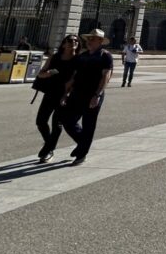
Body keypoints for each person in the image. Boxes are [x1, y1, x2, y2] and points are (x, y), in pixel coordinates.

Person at [61, 28, 114, 163]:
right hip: (77, 92)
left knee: (88, 124)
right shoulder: (83, 56)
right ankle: (82, 144)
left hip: (93, 94)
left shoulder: (105, 55)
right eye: (88, 38)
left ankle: (82, 154)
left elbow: (106, 76)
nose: (89, 41)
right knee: (68, 121)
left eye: (93, 39)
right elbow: (75, 75)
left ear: (100, 41)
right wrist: (66, 92)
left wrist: (97, 94)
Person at [32, 34, 79, 162]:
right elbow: (40, 74)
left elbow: (75, 80)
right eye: (70, 40)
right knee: (40, 121)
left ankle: (49, 149)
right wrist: (48, 73)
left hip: (65, 95)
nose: (73, 42)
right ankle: (49, 144)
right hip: (50, 93)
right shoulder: (54, 58)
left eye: (76, 40)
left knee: (56, 123)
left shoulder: (78, 60)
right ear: (63, 44)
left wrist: (66, 94)